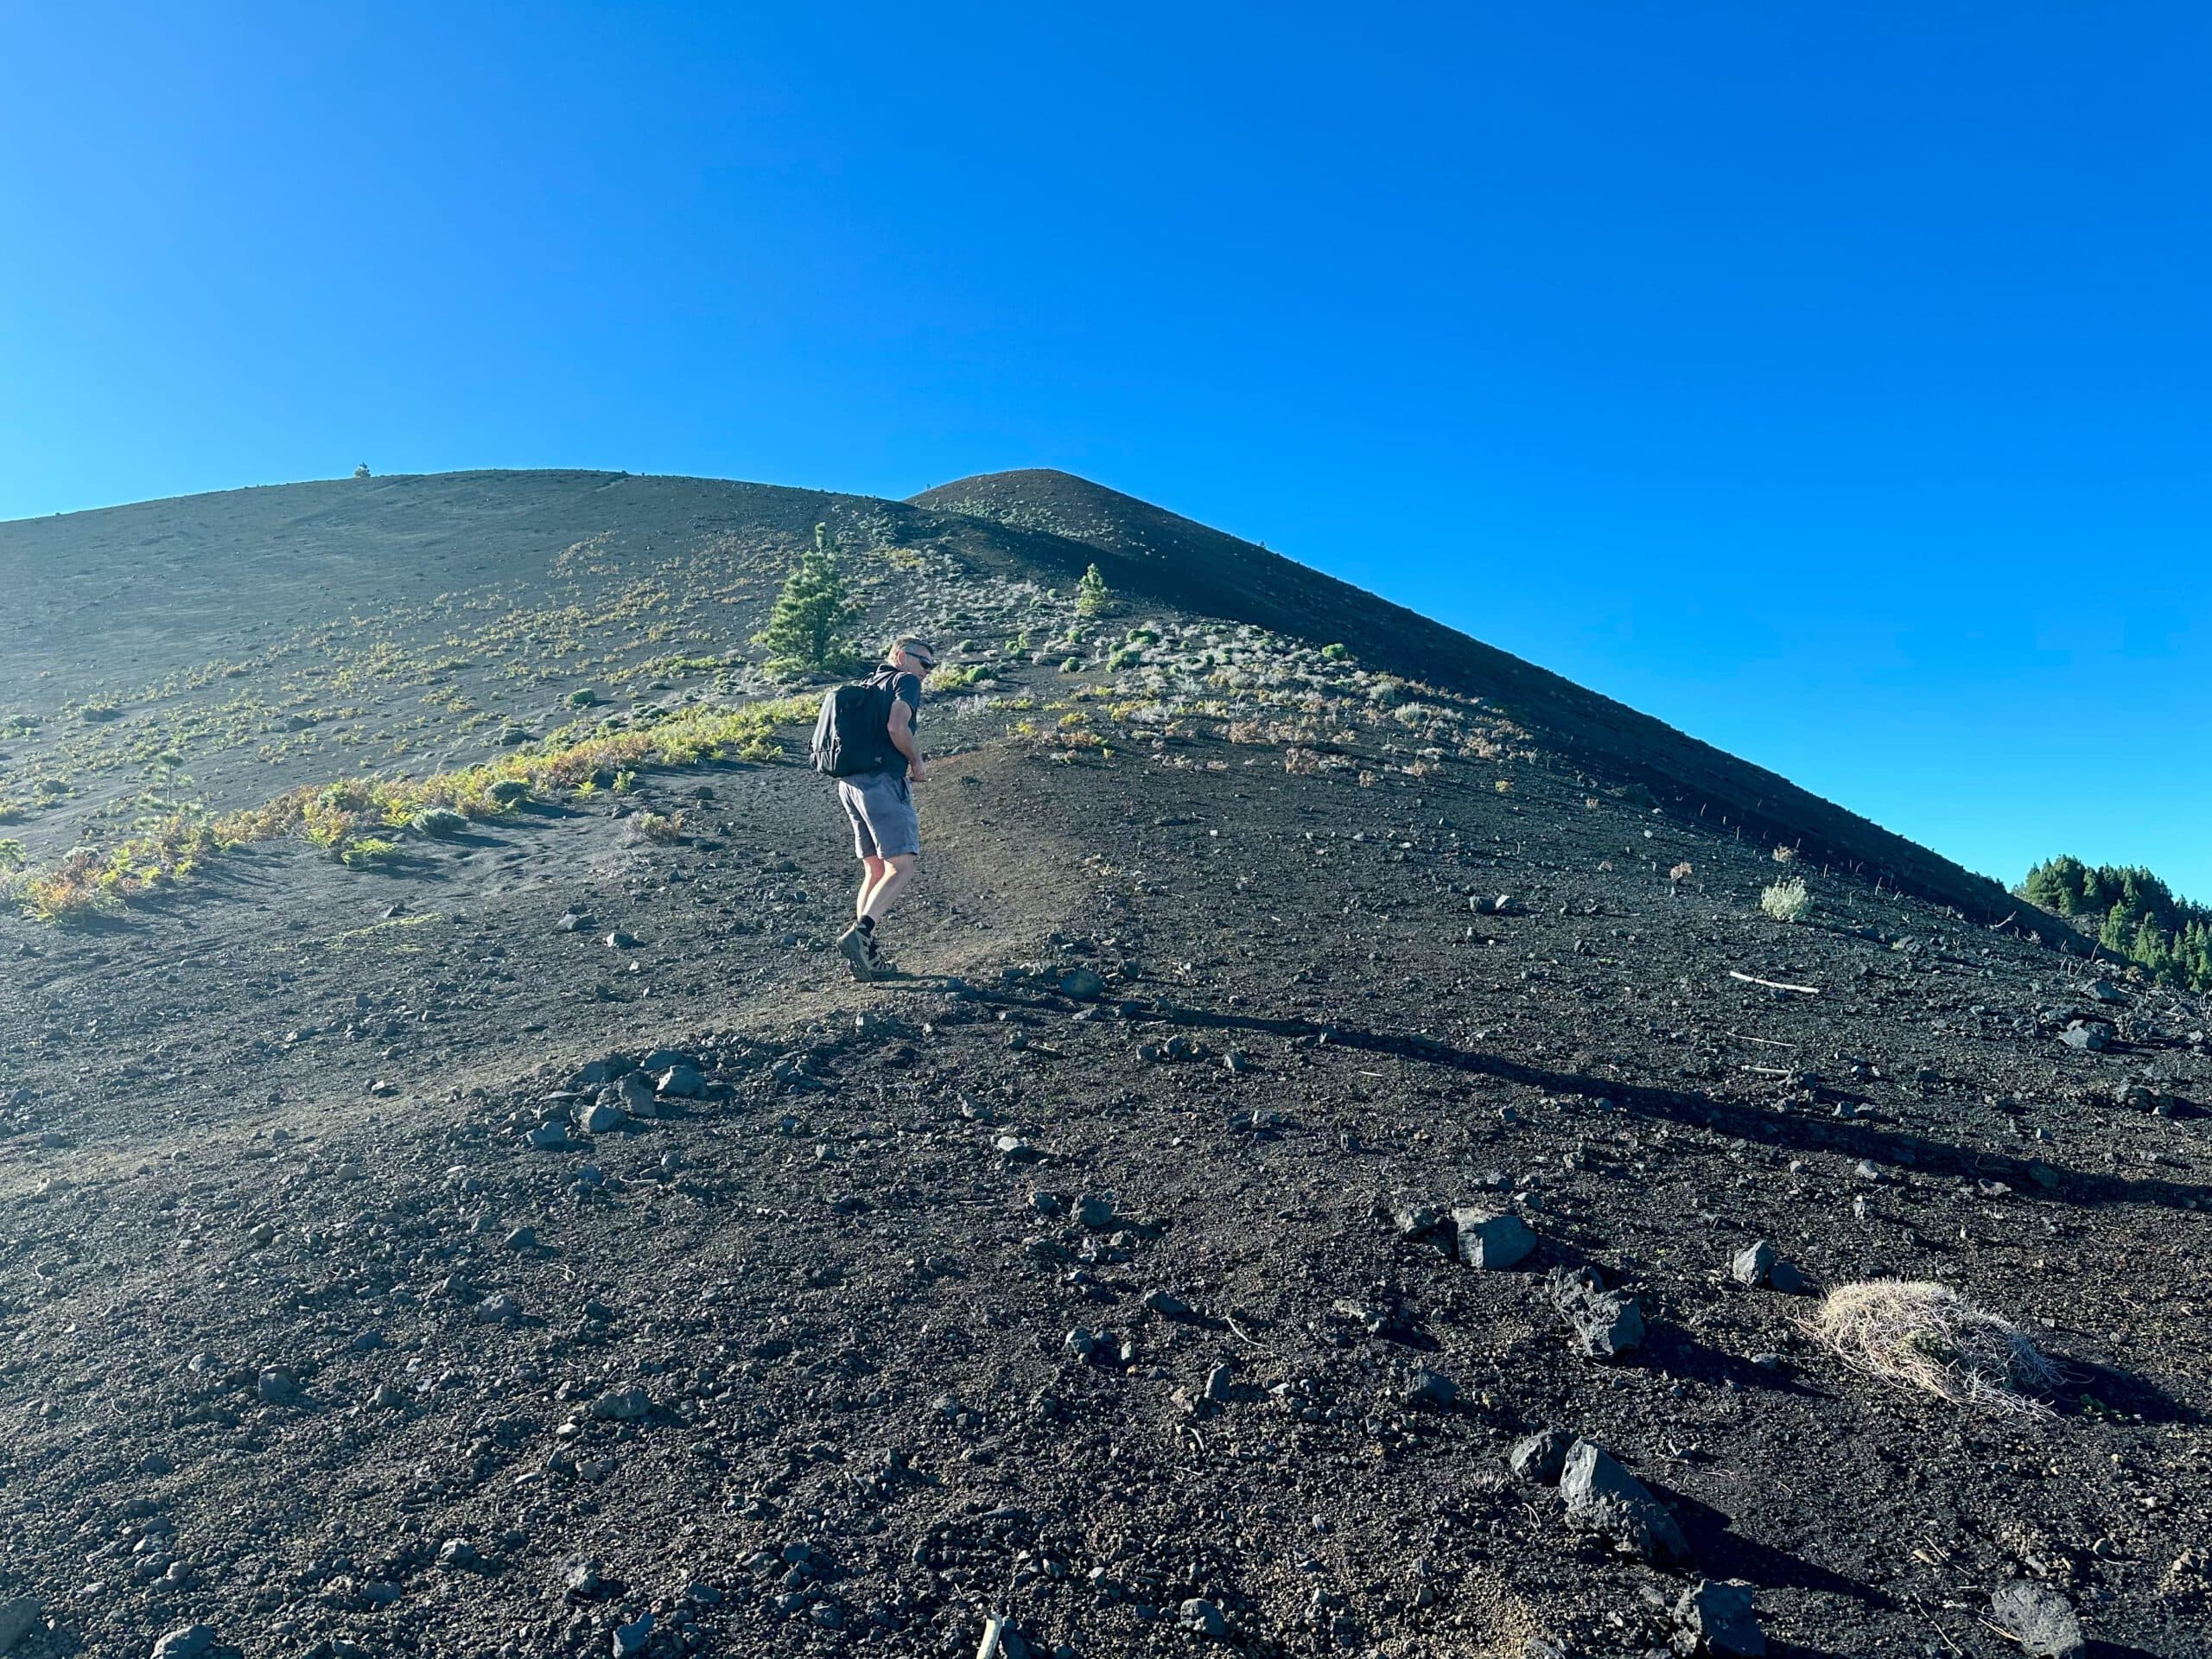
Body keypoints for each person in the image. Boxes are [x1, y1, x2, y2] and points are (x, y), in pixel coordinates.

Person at [834, 637, 935, 978]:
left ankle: (865, 958)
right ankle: (861, 934)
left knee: (875, 871)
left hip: (850, 784)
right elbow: (896, 726)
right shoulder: (903, 680)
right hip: (882, 782)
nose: (927, 673)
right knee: (902, 866)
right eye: (925, 664)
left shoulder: (867, 683)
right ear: (903, 657)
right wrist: (917, 762)